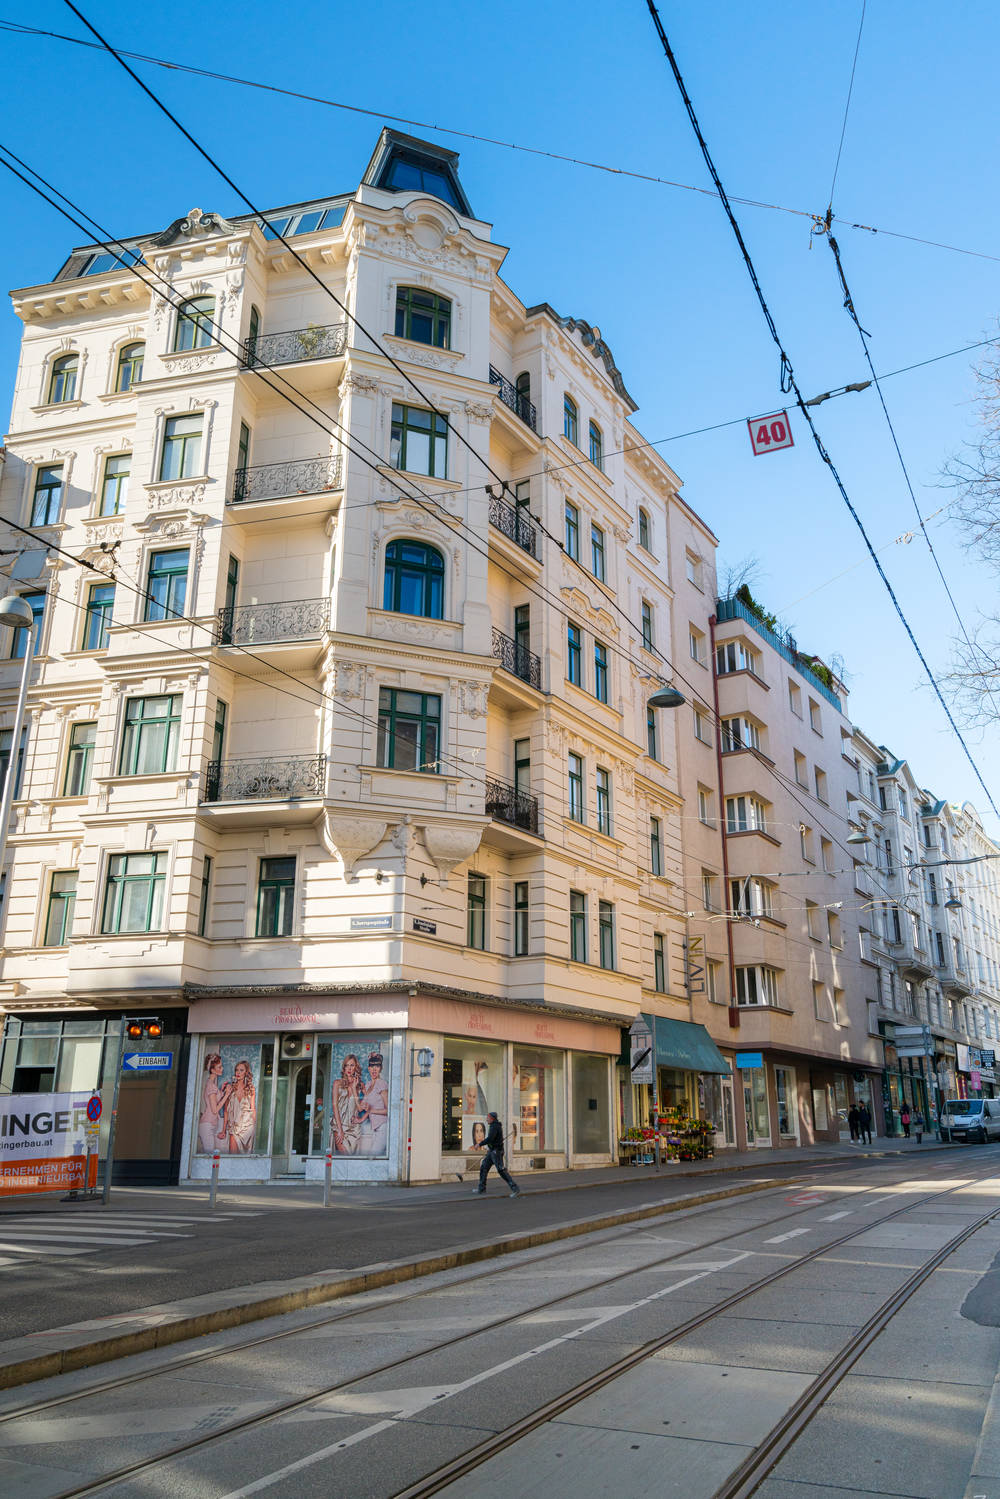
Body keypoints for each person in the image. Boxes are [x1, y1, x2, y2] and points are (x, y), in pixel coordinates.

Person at [473, 1111, 521, 1197]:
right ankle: (481, 1188)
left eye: (488, 1117)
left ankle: (515, 1188)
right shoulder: (493, 1126)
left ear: (492, 1118)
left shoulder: (495, 1127)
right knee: (484, 1167)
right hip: (492, 1151)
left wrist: (479, 1144)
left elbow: (490, 1139)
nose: (487, 1119)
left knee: (501, 1170)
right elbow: (493, 1140)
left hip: (496, 1152)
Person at [198, 1053, 232, 1153]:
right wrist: (226, 1095)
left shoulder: (211, 1084)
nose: (222, 1068)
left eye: (221, 1066)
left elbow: (213, 1099)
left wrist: (222, 1091)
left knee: (211, 1154)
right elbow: (214, 1110)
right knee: (210, 1155)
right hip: (207, 1125)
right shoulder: (211, 1086)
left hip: (211, 1124)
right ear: (212, 1070)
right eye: (219, 1067)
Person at [358, 1053, 389, 1157]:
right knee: (373, 1159)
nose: (374, 1069)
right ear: (368, 1068)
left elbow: (388, 1110)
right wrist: (361, 1119)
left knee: (372, 1158)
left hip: (383, 1127)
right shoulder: (368, 1085)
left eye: (377, 1066)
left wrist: (371, 1110)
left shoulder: (382, 1084)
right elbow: (364, 1106)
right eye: (372, 1066)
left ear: (380, 1068)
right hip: (375, 1128)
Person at [223, 1059, 257, 1153]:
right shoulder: (230, 1088)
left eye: (241, 1070)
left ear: (246, 1072)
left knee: (245, 1159)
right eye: (237, 1070)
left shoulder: (251, 1088)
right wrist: (223, 1130)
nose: (238, 1072)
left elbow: (253, 1109)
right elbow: (226, 1110)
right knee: (232, 1156)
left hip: (247, 1127)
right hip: (233, 1127)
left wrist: (254, 1127)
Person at [332, 1053, 363, 1154]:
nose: (349, 1068)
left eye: (352, 1065)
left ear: (356, 1067)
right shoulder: (337, 1083)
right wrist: (340, 1130)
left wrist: (354, 1088)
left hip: (354, 1129)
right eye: (347, 1065)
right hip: (339, 1125)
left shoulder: (360, 1086)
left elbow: (360, 1109)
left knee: (352, 1161)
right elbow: (335, 1106)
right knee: (343, 1157)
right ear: (344, 1067)